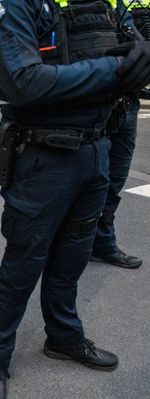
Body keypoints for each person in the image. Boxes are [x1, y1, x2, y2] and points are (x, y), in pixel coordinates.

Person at [0, 0, 150, 399]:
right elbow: (23, 82)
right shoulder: (16, 6)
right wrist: (112, 71)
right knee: (22, 265)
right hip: (43, 161)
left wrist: (130, 64)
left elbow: (138, 53)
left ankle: (64, 338)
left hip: (96, 152)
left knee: (71, 261)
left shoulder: (106, 3)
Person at [91, 0, 149, 269]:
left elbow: (138, 47)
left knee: (114, 183)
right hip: (99, 108)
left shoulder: (117, 5)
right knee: (92, 183)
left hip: (128, 105)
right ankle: (76, 243)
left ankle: (102, 243)